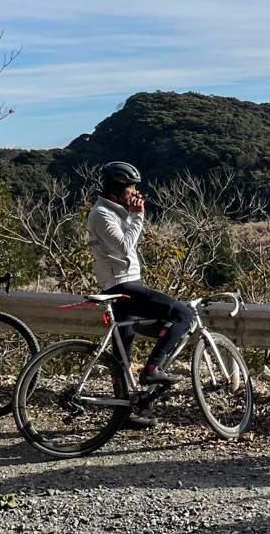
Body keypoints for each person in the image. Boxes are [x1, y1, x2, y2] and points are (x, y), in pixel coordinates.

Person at [87, 161, 193, 399]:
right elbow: (124, 247)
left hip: (125, 283)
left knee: (122, 356)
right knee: (183, 315)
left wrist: (131, 214)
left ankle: (124, 412)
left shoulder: (116, 210)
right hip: (122, 286)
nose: (134, 191)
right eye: (130, 187)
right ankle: (153, 368)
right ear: (114, 188)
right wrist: (138, 217)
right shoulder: (102, 214)